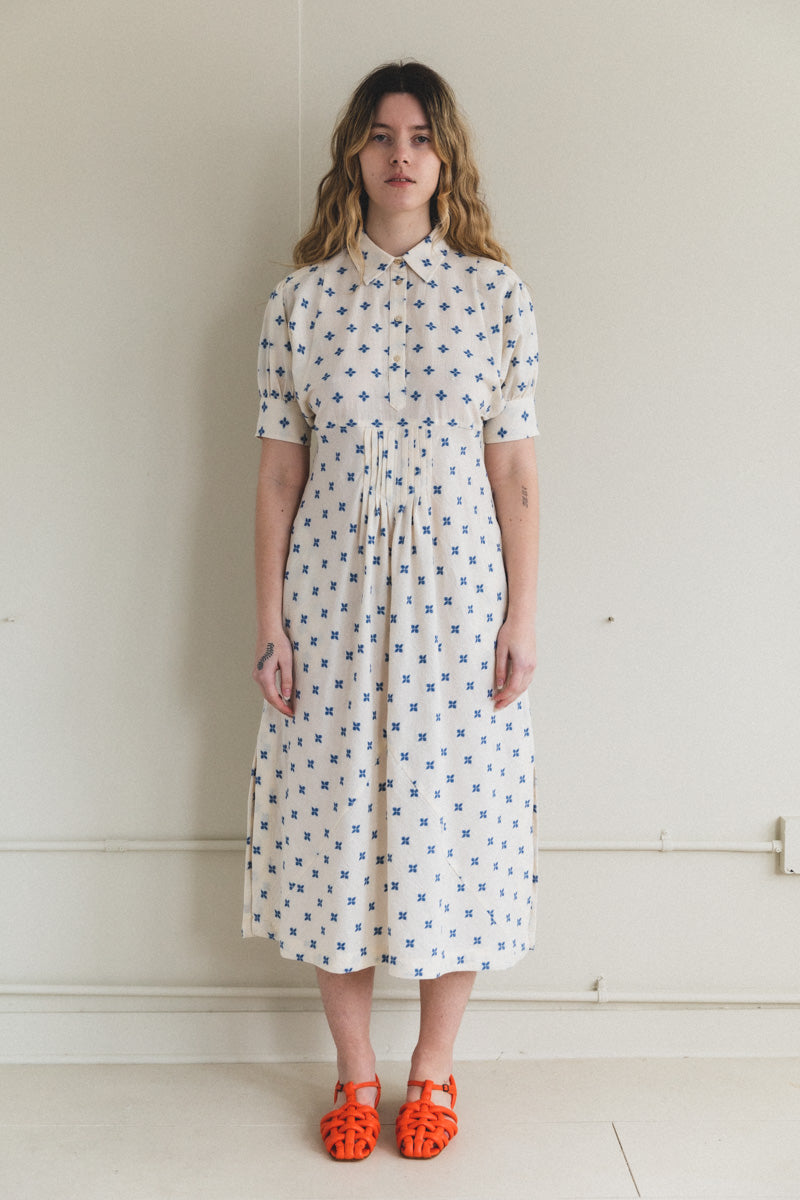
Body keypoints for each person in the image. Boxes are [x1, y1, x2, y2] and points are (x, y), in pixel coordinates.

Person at [243, 60, 540, 1162]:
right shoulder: (301, 301)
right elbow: (278, 476)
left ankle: (436, 1072)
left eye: (418, 136)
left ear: (444, 156)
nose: (400, 155)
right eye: (379, 135)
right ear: (354, 156)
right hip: (328, 604)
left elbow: (515, 474)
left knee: (455, 825)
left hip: (460, 605)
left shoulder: (496, 297)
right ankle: (356, 1074)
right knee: (337, 836)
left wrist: (521, 617)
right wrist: (269, 621)